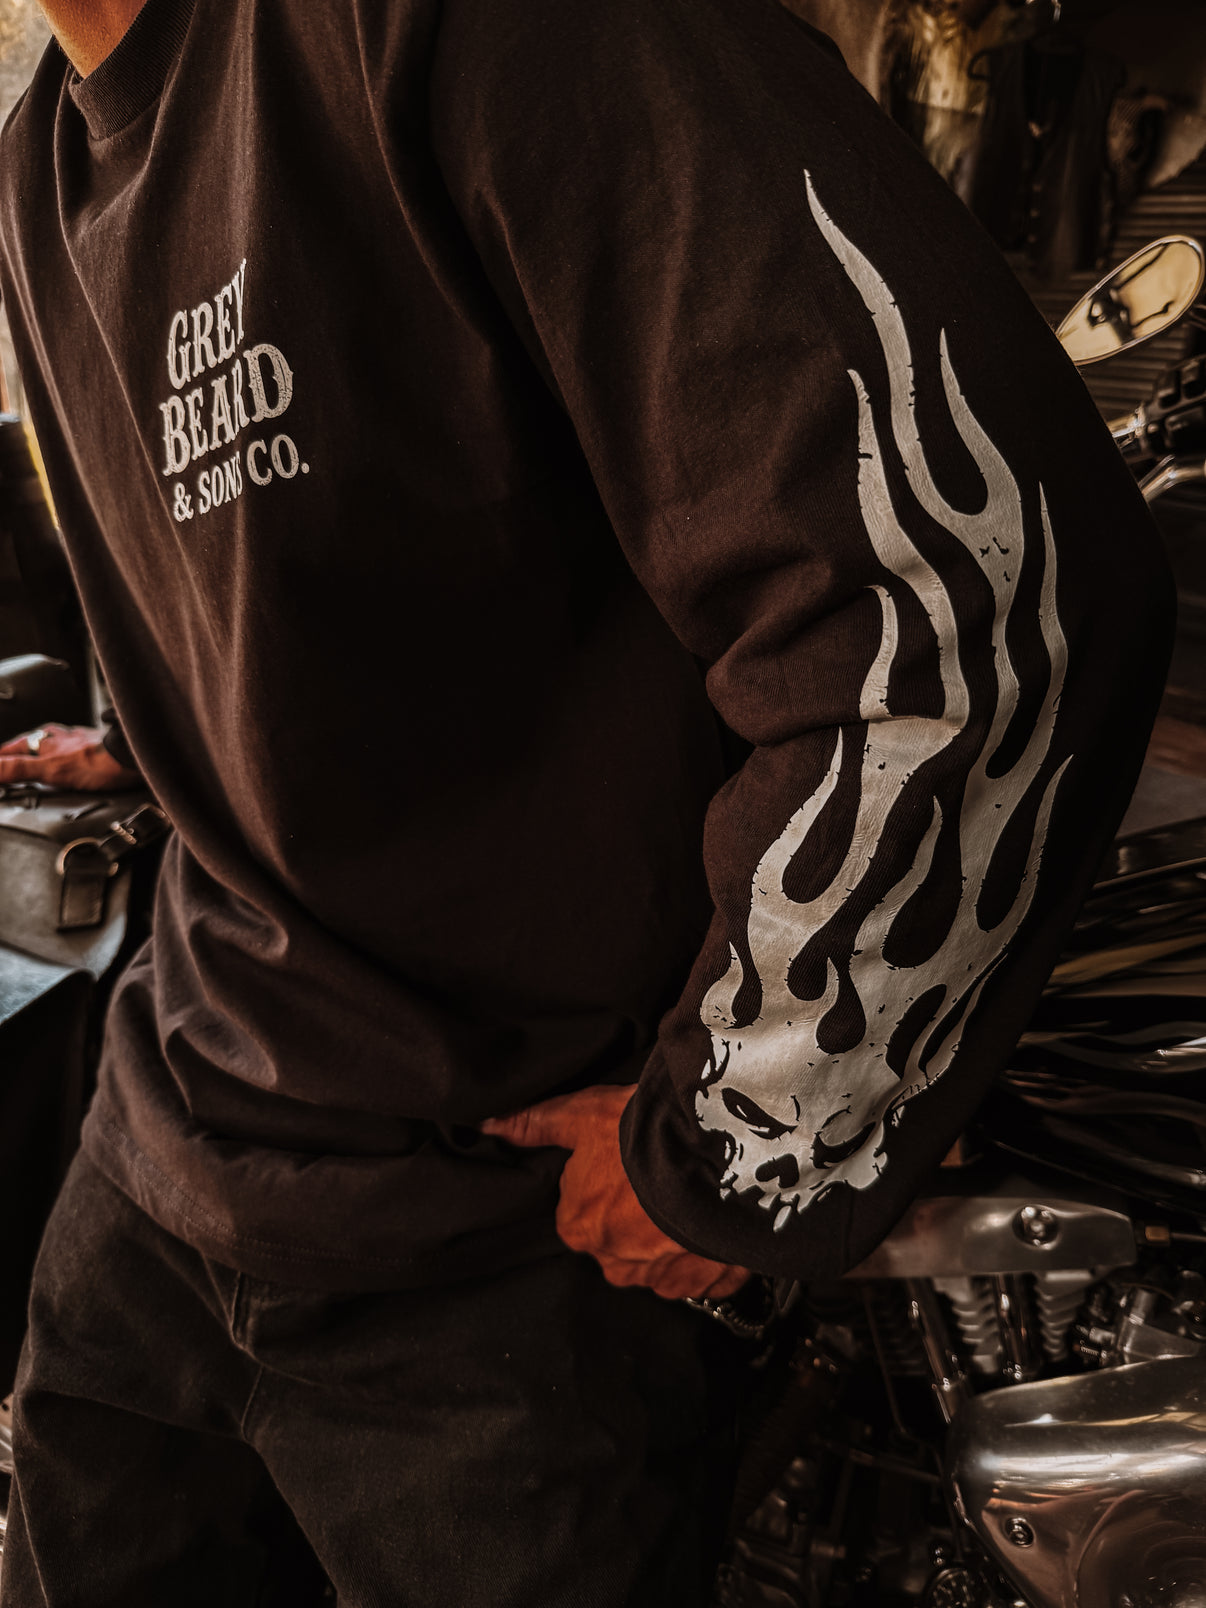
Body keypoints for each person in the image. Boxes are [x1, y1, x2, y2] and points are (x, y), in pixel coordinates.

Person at [0, 0, 1173, 1602]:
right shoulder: (43, 158)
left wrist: (739, 1140)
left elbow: (973, 606)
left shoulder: (477, 29)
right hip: (158, 1175)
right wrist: (154, 737)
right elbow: (346, 568)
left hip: (500, 1259)